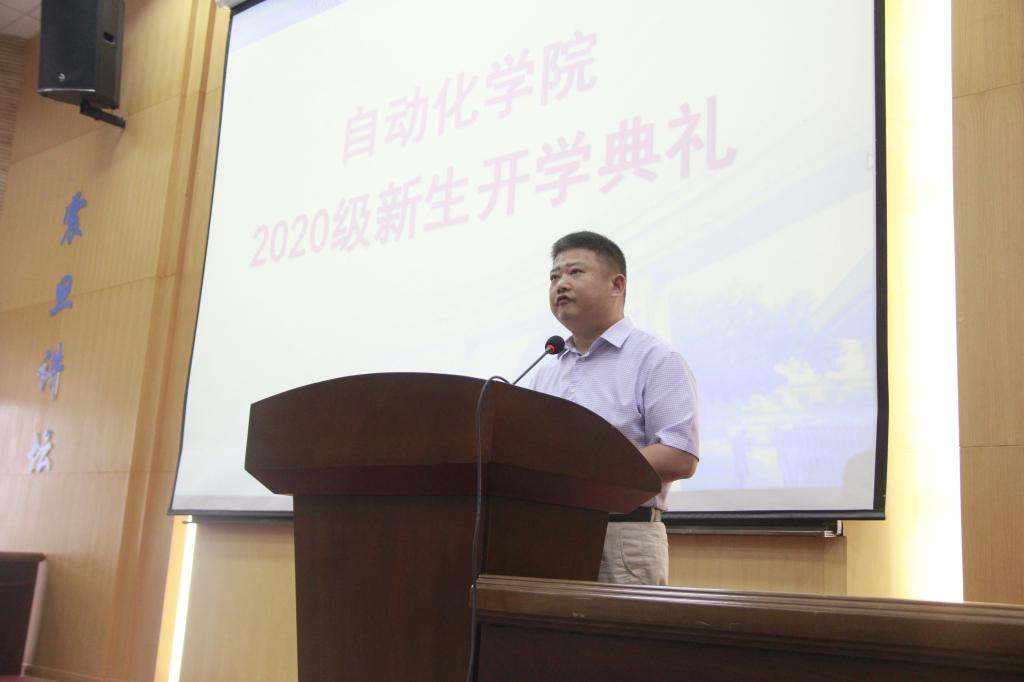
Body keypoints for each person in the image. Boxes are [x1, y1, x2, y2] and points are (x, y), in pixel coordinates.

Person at [528, 231, 699, 586]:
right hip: (547, 535)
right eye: (554, 276)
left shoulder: (655, 358)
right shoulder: (545, 371)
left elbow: (680, 455)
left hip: (623, 538)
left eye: (575, 272)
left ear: (616, 285)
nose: (561, 284)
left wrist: (585, 467)